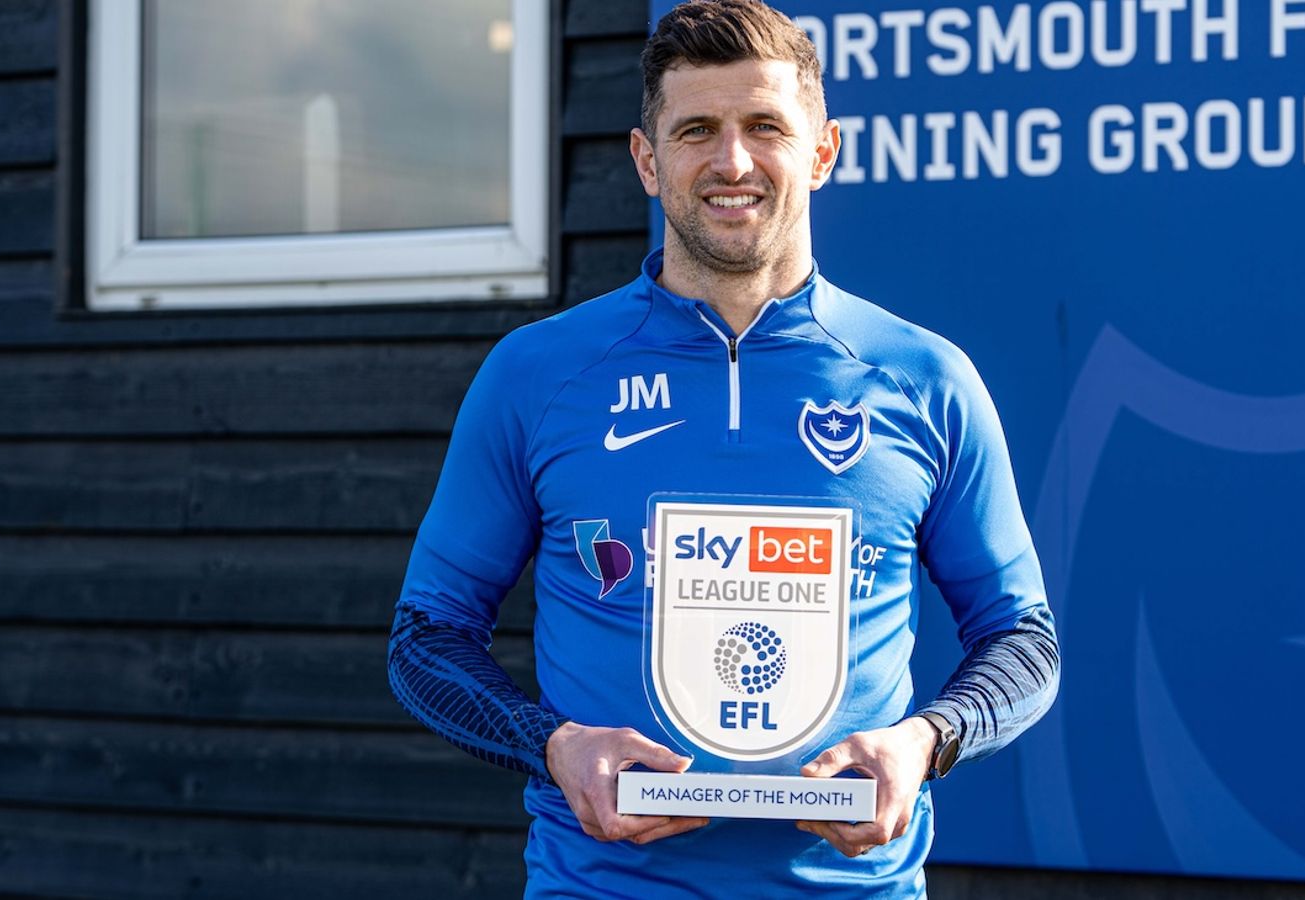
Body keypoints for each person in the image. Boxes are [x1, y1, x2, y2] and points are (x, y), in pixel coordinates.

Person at [387, 1, 1059, 895]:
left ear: (821, 153)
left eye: (765, 127)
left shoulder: (925, 380)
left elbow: (1024, 639)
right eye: (696, 128)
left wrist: (922, 742)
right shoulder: (535, 375)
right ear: (646, 158)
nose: (731, 161)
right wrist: (557, 746)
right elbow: (426, 638)